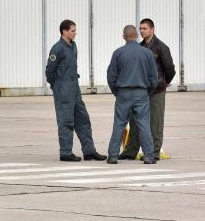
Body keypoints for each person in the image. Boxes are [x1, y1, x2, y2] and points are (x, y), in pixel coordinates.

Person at [45, 19, 106, 162]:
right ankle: (65, 152)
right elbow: (49, 71)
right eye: (72, 31)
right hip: (63, 90)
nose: (75, 33)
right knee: (66, 122)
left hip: (75, 89)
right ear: (64, 31)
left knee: (83, 120)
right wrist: (58, 86)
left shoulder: (73, 46)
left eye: (75, 30)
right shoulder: (57, 48)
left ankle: (89, 151)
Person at [119, 18, 176, 160]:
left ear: (152, 29)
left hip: (157, 91)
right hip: (142, 91)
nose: (142, 31)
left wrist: (164, 81)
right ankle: (130, 152)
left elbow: (170, 68)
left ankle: (154, 152)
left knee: (155, 123)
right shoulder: (139, 47)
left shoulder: (162, 47)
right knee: (135, 121)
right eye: (141, 29)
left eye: (145, 28)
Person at [106, 24, 157, 164]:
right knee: (144, 124)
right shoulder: (147, 53)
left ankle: (112, 156)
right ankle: (148, 156)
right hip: (141, 93)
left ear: (123, 37)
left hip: (123, 93)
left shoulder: (118, 53)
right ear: (137, 36)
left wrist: (117, 92)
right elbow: (154, 77)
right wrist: (147, 92)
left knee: (119, 124)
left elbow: (111, 76)